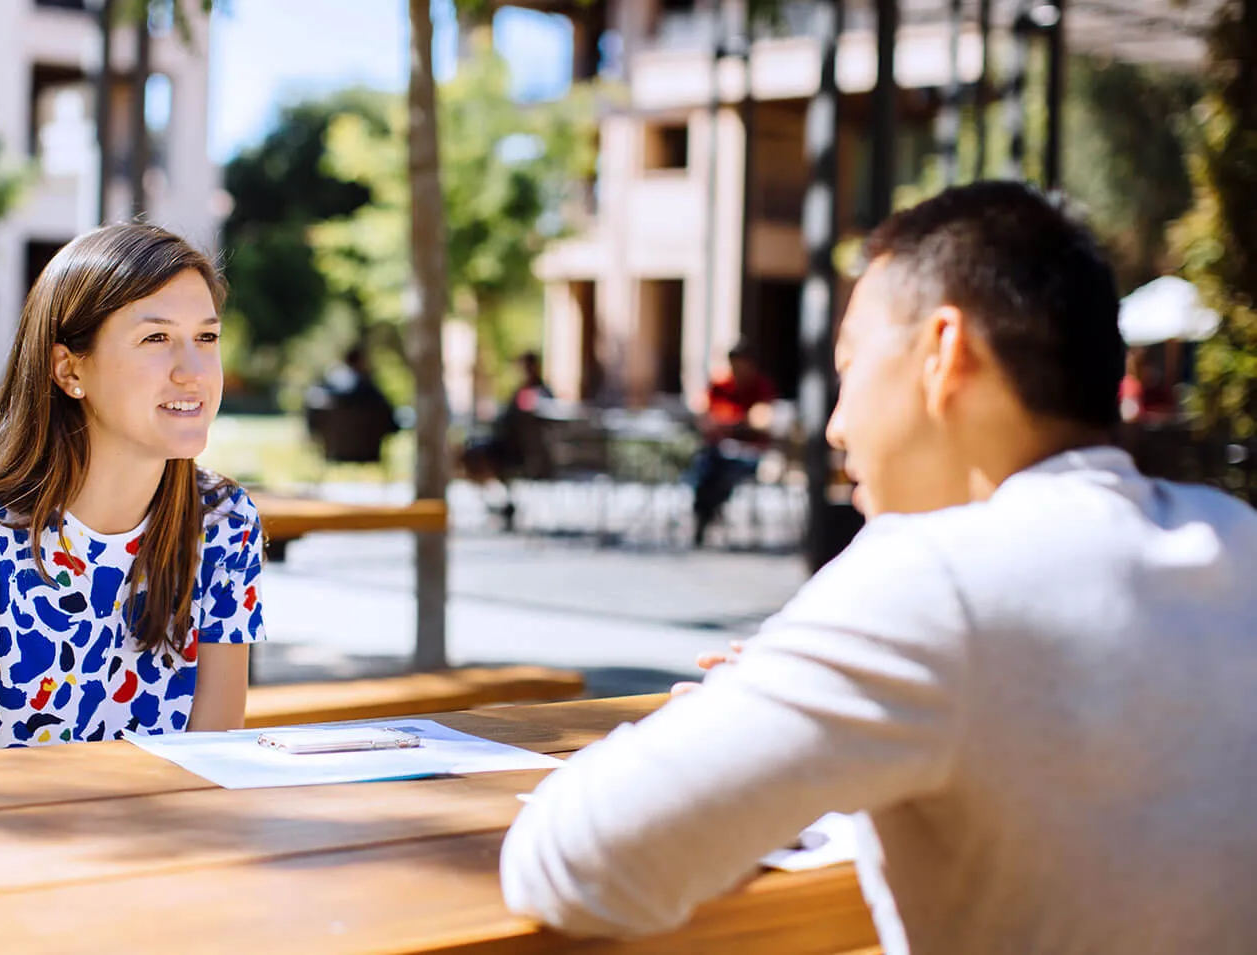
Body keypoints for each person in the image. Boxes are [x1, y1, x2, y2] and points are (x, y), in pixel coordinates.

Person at [499, 181, 1257, 954]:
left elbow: (574, 863)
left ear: (943, 353)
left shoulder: (937, 581)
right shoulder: (1237, 538)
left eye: (850, 366)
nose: (835, 425)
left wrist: (735, 711)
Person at [0, 223, 264, 757]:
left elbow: (216, 767)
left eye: (206, 338)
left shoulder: (225, 525)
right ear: (69, 369)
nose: (194, 371)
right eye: (156, 338)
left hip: (165, 837)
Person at [689, 341, 778, 546]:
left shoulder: (761, 386)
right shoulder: (720, 387)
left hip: (750, 454)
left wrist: (732, 424)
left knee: (719, 471)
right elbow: (704, 416)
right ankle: (706, 511)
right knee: (705, 467)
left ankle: (708, 511)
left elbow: (762, 420)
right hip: (719, 452)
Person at [461, 351, 554, 529]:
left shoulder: (538, 392)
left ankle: (504, 505)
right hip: (507, 444)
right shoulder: (523, 390)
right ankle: (501, 504)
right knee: (470, 451)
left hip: (522, 451)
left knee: (479, 454)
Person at [303, 345, 399, 463]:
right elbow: (392, 422)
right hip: (369, 452)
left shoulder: (331, 390)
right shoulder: (371, 392)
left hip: (336, 452)